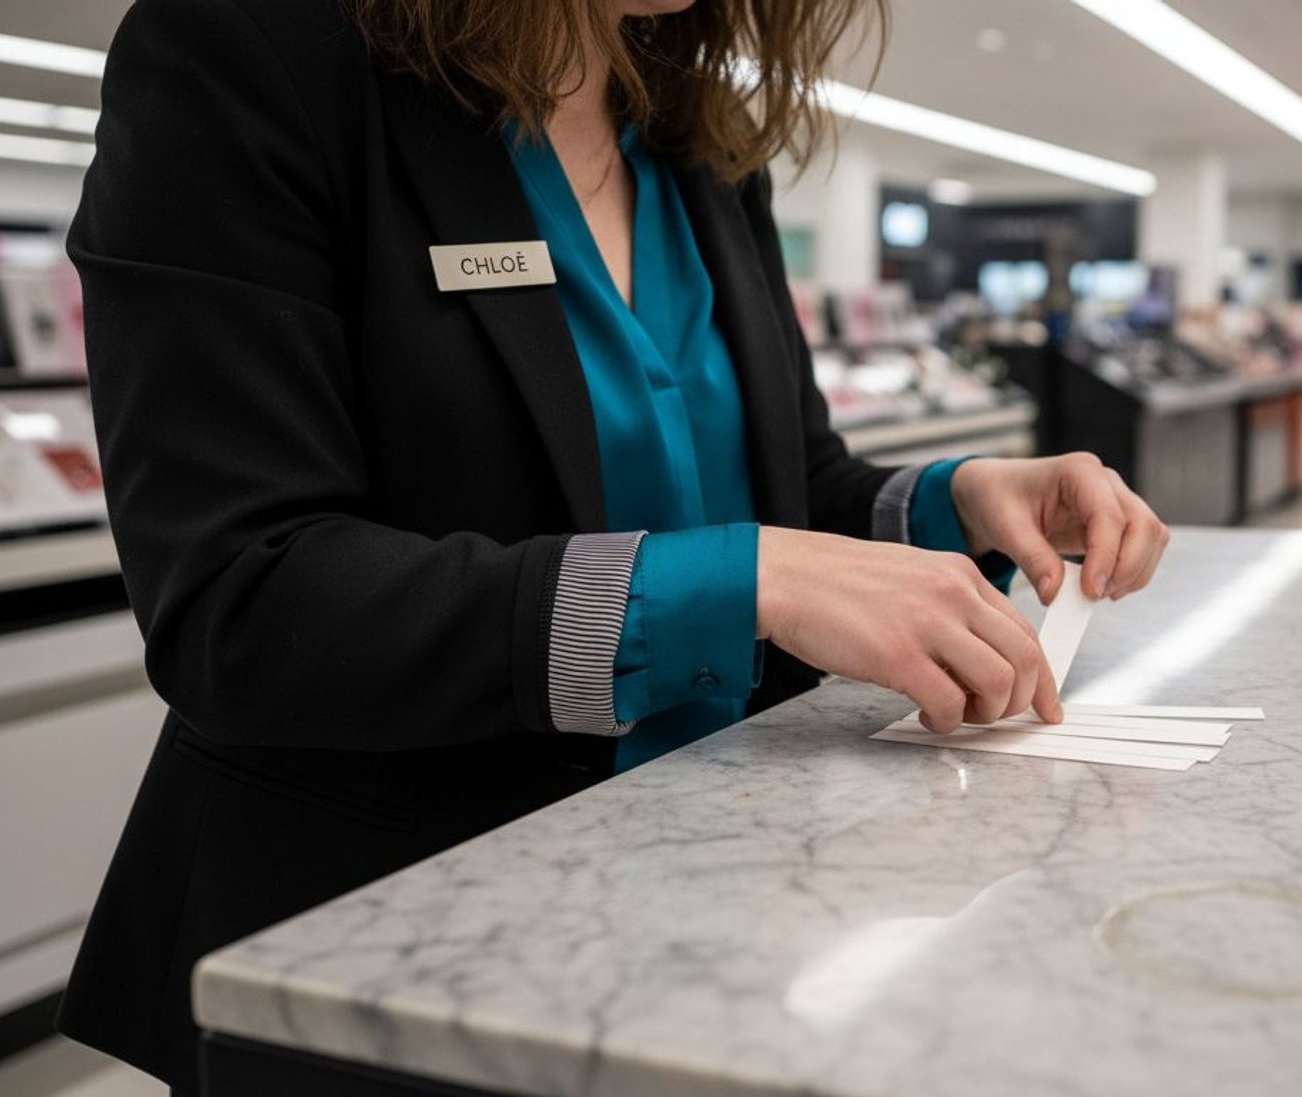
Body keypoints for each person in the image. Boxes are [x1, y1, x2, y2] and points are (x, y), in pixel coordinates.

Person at [58, 0, 1170, 1089]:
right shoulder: (249, 50)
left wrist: (961, 501)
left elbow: (784, 489)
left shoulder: (697, 145)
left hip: (720, 894)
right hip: (393, 930)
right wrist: (732, 581)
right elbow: (241, 597)